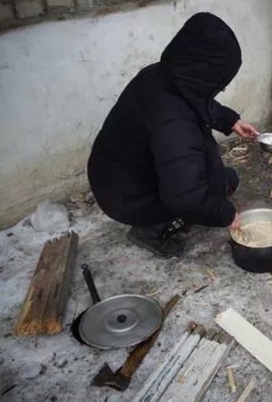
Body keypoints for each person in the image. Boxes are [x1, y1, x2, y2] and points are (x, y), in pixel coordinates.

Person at [87, 13, 259, 258]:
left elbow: (194, 100)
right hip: (125, 195)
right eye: (220, 79)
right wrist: (226, 215)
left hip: (116, 174)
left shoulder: (161, 75)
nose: (223, 87)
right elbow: (185, 196)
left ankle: (175, 210)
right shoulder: (174, 123)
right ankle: (149, 231)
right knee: (202, 197)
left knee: (226, 181)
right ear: (203, 73)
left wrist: (231, 121)